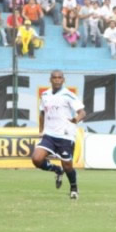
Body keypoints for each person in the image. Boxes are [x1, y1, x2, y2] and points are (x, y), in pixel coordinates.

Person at [32, 71, 85, 200]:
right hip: (49, 135)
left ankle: (74, 188)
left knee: (67, 166)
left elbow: (82, 112)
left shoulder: (68, 95)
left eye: (59, 78)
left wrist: (76, 119)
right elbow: (42, 113)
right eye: (54, 77)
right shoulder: (45, 95)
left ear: (63, 80)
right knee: (36, 159)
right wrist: (41, 131)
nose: (57, 80)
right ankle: (57, 170)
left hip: (65, 135)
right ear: (50, 79)